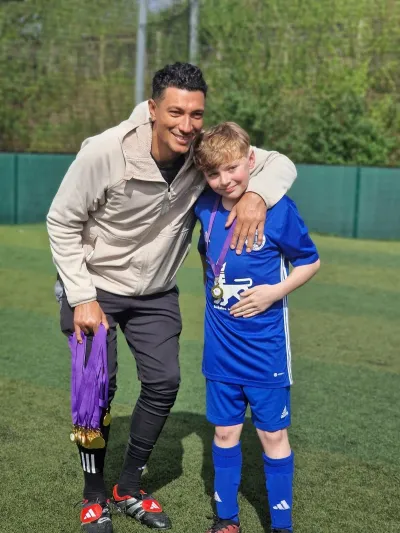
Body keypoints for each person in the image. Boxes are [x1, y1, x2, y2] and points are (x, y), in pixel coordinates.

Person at [47, 63, 297, 533]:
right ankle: (94, 497)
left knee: (164, 382)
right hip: (94, 285)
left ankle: (128, 486)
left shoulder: (202, 154)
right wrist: (81, 295)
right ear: (153, 108)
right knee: (94, 392)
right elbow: (61, 221)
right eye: (176, 112)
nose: (186, 125)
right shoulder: (105, 151)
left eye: (196, 114)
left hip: (155, 290)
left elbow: (279, 163)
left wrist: (257, 195)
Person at [193, 122, 320, 533]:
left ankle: (281, 526)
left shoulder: (278, 209)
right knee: (226, 434)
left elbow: (310, 262)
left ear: (250, 161)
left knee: (272, 437)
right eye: (214, 174)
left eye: (232, 169)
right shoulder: (206, 208)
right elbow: (206, 257)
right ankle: (226, 520)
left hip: (265, 352)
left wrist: (273, 293)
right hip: (220, 351)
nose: (224, 180)